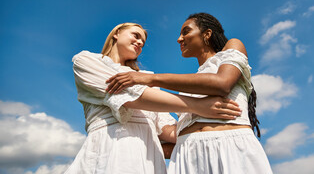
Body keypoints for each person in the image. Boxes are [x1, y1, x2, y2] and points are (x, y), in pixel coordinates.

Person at [65, 22, 242, 174]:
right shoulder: (87, 61)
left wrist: (212, 126)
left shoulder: (146, 77)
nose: (140, 42)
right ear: (117, 34)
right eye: (135, 35)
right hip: (112, 145)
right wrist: (198, 105)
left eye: (143, 41)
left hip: (149, 157)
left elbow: (165, 128)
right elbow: (134, 97)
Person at [106, 14, 273, 174]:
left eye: (186, 31)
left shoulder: (232, 47)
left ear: (207, 34)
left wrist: (150, 78)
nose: (179, 39)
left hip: (230, 146)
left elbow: (223, 83)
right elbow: (172, 136)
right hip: (186, 156)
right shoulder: (193, 82)